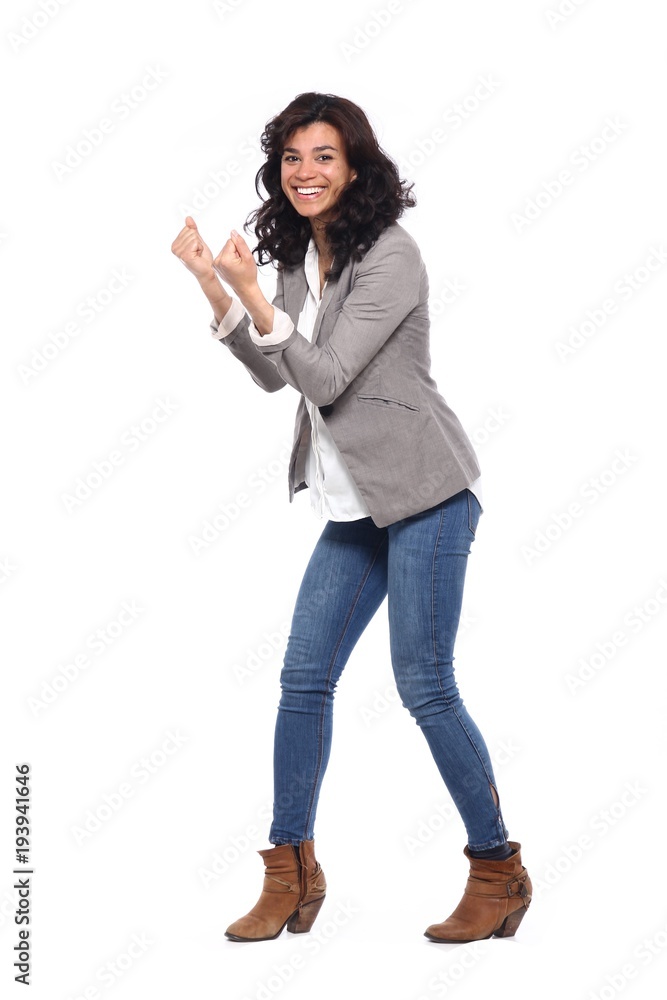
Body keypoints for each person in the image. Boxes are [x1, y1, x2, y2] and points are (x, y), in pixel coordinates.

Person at [171, 91, 531, 944]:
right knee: (303, 679)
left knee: (425, 684)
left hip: (426, 495)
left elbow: (326, 376)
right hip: (355, 504)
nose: (305, 172)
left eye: (323, 156)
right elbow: (277, 376)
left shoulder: (391, 255)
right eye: (292, 157)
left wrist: (257, 302)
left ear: (355, 166)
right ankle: (290, 873)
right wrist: (216, 287)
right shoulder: (303, 256)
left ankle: (498, 872)